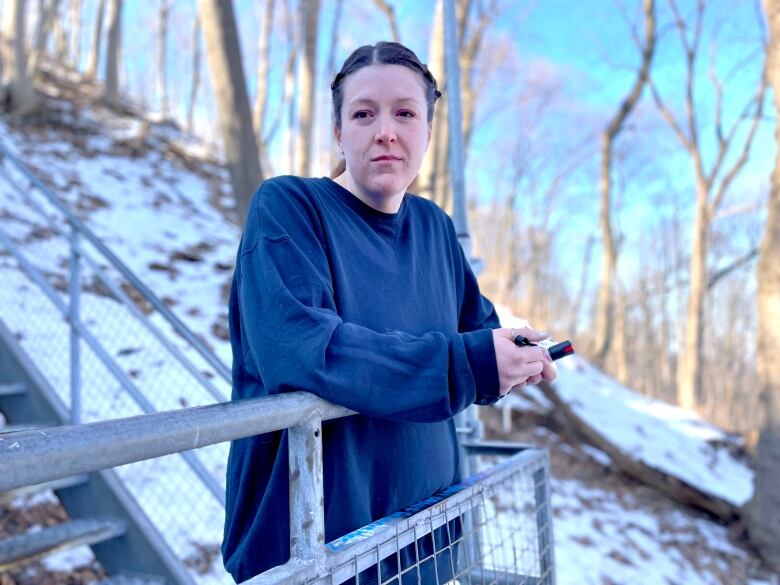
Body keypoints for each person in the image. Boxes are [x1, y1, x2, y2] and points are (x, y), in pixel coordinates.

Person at [222, 41, 556, 584]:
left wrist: (515, 357)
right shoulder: (289, 208)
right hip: (315, 555)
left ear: (428, 130)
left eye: (405, 112)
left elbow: (478, 333)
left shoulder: (435, 228)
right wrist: (468, 365)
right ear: (338, 131)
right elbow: (302, 350)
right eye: (363, 113)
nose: (385, 131)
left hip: (427, 546)